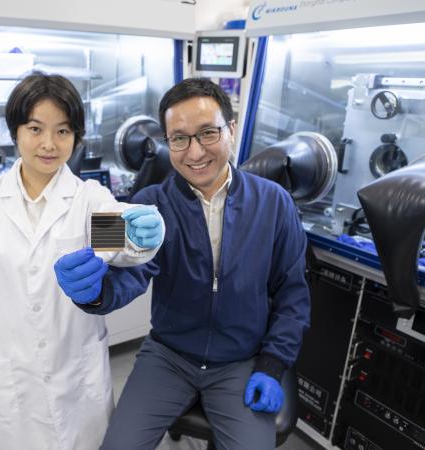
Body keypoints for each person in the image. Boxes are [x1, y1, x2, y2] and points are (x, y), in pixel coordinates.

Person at [54, 77, 311, 450]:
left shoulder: (275, 202)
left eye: (208, 133)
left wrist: (273, 364)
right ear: (167, 142)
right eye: (179, 138)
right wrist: (93, 291)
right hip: (167, 356)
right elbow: (120, 273)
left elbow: (293, 295)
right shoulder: (143, 203)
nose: (194, 153)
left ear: (231, 130)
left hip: (241, 361)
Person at [0, 72, 164, 450]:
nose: (49, 144)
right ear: (16, 132)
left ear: (75, 137)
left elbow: (121, 246)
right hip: (8, 378)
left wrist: (144, 237)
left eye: (62, 131)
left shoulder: (87, 199)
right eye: (35, 128)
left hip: (74, 378)